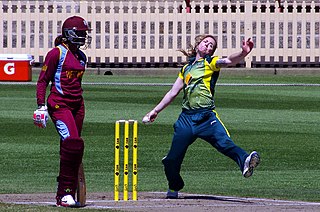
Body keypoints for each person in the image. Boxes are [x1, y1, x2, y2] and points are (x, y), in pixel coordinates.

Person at [142, 34, 260, 199]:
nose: (209, 47)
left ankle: (245, 161)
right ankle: (174, 186)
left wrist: (243, 53)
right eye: (206, 43)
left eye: (212, 45)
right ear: (198, 45)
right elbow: (172, 92)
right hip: (186, 119)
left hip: (206, 117)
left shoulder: (210, 63)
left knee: (224, 142)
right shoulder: (186, 69)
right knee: (171, 160)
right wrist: (155, 111)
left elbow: (228, 61)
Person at [33, 16, 92, 207]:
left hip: (77, 105)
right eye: (80, 33)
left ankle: (68, 191)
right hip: (59, 105)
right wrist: (41, 106)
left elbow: (76, 84)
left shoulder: (81, 56)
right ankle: (64, 194)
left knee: (71, 149)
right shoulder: (56, 53)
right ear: (69, 33)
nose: (83, 37)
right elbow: (43, 80)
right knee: (73, 143)